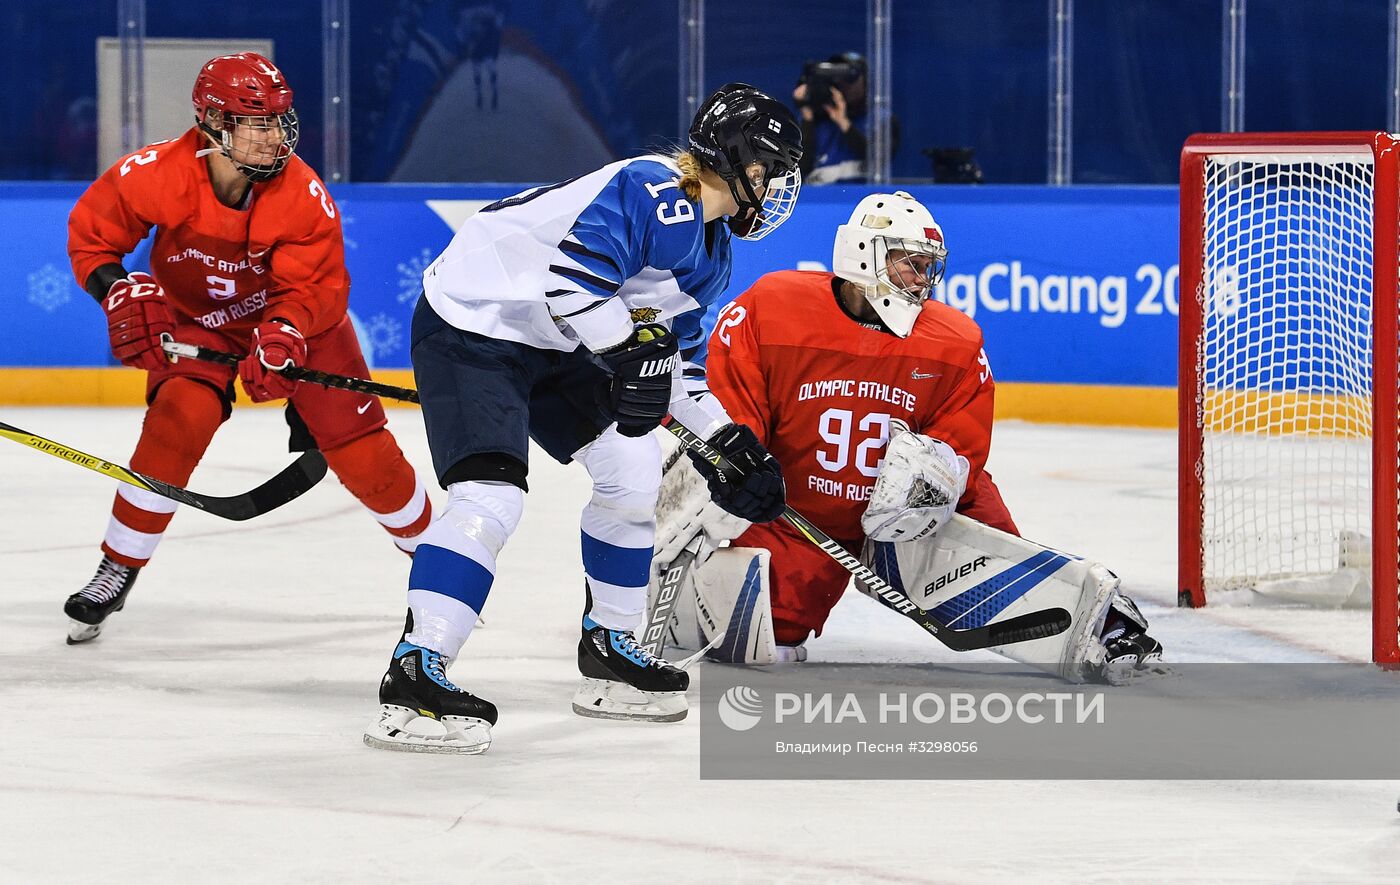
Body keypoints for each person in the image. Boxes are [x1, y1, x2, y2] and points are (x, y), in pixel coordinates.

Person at [362, 82, 804, 754]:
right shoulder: (653, 190)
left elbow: (679, 367)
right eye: (769, 173)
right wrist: (631, 350)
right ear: (740, 161)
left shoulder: (713, 254)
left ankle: (609, 645)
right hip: (475, 322)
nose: (774, 190)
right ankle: (415, 671)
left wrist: (726, 440)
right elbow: (570, 281)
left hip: (557, 337)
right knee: (491, 497)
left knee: (633, 469)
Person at [650, 191, 1164, 682]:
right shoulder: (772, 307)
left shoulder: (955, 341)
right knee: (759, 642)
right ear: (862, 253)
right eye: (910, 263)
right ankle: (647, 587)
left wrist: (938, 472)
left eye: (928, 266)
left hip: (912, 516)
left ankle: (1102, 627)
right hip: (793, 513)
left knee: (999, 549)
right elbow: (729, 411)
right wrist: (743, 469)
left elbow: (963, 441)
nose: (923, 280)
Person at [64, 52, 434, 643]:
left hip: (297, 328)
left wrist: (286, 329)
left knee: (365, 453)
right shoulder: (155, 173)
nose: (273, 137)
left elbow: (315, 288)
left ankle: (439, 567)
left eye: (277, 121)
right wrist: (115, 290)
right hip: (199, 324)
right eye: (255, 123)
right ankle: (119, 565)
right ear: (212, 122)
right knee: (173, 423)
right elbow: (93, 236)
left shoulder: (301, 195)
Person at [792, 52, 899, 184]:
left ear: (865, 81)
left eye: (849, 77)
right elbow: (800, 167)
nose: (841, 83)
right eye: (834, 77)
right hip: (819, 200)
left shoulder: (880, 119)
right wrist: (807, 112)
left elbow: (879, 159)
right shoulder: (817, 119)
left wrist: (843, 123)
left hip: (864, 198)